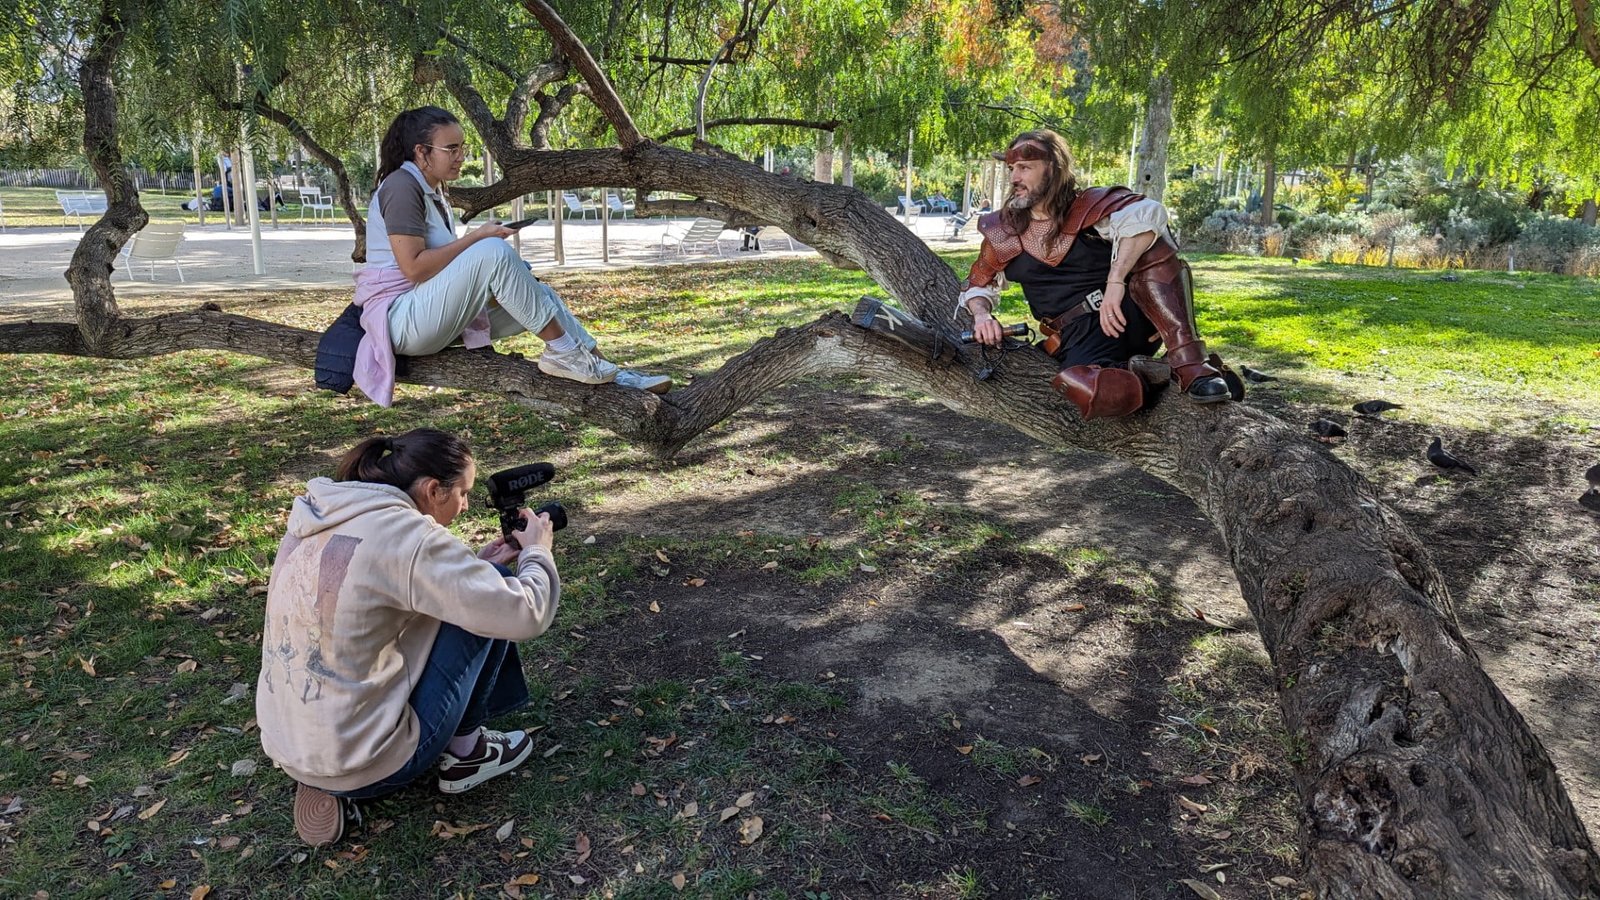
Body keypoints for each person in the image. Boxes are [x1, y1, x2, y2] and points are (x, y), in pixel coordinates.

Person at [256, 428, 559, 846]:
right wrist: (538, 552)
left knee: (478, 584)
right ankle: (467, 756)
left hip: (290, 745)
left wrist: (471, 566)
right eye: (463, 493)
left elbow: (373, 591)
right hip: (370, 761)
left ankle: (326, 765)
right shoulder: (408, 537)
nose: (466, 505)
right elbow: (525, 614)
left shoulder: (318, 515)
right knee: (497, 586)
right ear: (433, 490)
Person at [354, 106, 670, 406]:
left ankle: (611, 373)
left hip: (427, 309)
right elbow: (414, 269)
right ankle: (563, 353)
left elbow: (440, 267)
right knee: (491, 250)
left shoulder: (434, 189)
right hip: (403, 320)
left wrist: (499, 280)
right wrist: (477, 238)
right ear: (421, 152)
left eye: (462, 147)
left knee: (541, 293)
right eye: (451, 149)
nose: (461, 156)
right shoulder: (401, 186)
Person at [959, 130, 1237, 418]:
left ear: (1053, 169)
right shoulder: (1004, 230)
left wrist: (1116, 281)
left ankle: (1190, 363)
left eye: (1025, 168)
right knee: (1100, 393)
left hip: (1131, 316)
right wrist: (982, 316)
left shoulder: (1089, 208)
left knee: (1154, 245)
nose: (1015, 178)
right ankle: (1159, 372)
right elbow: (977, 285)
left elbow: (1149, 212)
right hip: (1078, 336)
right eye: (1012, 169)